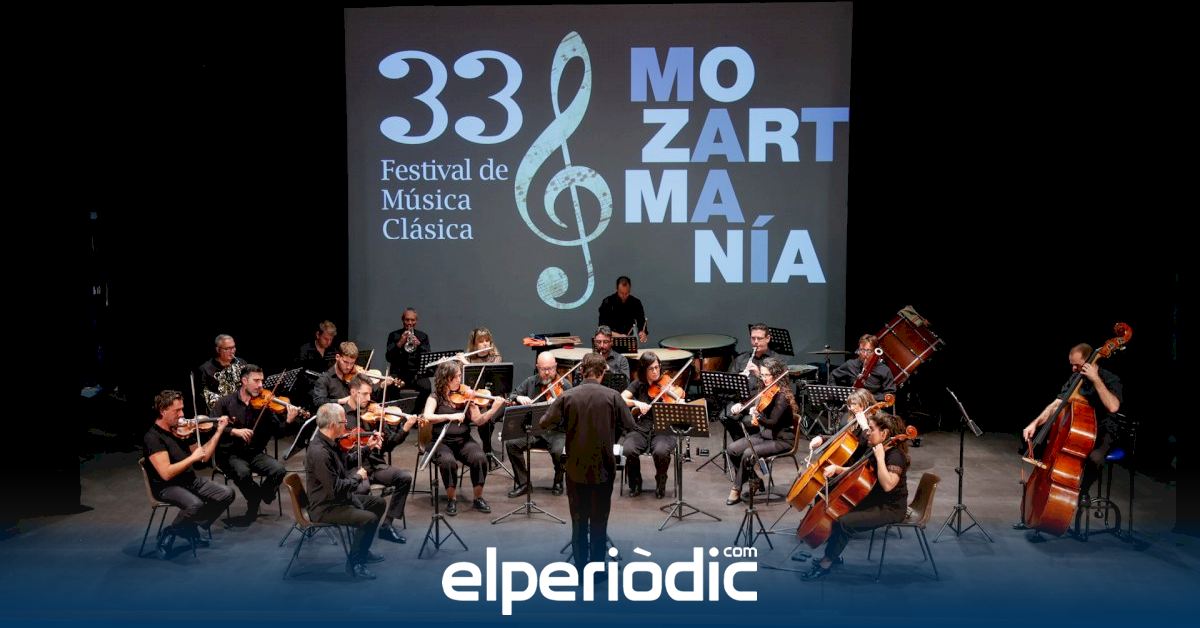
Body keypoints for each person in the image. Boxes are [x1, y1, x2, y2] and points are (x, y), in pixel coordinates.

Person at [540, 353, 638, 569]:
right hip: (603, 469)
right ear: (603, 373)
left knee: (578, 521)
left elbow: (544, 422)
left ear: (581, 372)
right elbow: (630, 426)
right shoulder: (613, 397)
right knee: (599, 522)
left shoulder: (567, 396)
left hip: (575, 469)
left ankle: (580, 568)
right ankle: (597, 569)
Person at [803, 412, 910, 580]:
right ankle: (833, 556)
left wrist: (880, 458)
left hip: (890, 508)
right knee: (838, 513)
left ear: (884, 434)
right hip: (875, 499)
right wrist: (837, 469)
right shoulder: (877, 448)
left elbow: (888, 485)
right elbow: (860, 470)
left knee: (845, 522)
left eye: (871, 429)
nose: (867, 432)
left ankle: (826, 562)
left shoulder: (895, 456)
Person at [1021, 342, 1123, 502]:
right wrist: (1035, 423)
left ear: (1090, 362)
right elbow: (1056, 404)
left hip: (1103, 432)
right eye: (1072, 365)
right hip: (1077, 432)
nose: (1073, 369)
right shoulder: (1076, 378)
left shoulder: (1110, 379)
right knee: (1045, 445)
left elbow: (1113, 406)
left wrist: (1095, 379)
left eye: (1077, 365)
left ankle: (1081, 493)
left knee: (1095, 458)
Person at [142, 390, 234, 557]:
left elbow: (203, 457)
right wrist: (192, 458)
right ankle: (170, 532)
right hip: (166, 486)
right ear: (163, 411)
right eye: (177, 411)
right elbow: (166, 474)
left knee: (226, 494)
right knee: (195, 505)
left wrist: (219, 431)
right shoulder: (153, 438)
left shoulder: (182, 430)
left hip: (189, 480)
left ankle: (186, 526)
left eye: (182, 409)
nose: (182, 414)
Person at [305, 403, 387, 579]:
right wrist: (357, 478)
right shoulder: (320, 452)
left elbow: (347, 462)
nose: (347, 425)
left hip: (337, 500)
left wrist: (368, 448)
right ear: (333, 425)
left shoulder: (331, 442)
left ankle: (362, 550)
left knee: (378, 503)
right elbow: (335, 489)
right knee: (369, 519)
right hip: (325, 507)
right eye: (343, 422)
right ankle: (354, 564)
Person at [211, 364, 300, 523]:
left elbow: (278, 432)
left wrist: (288, 421)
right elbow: (211, 426)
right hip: (230, 454)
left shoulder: (264, 405)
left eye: (262, 381)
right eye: (256, 380)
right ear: (244, 381)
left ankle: (263, 495)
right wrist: (233, 431)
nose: (260, 385)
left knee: (279, 470)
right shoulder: (225, 402)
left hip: (254, 453)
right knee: (243, 472)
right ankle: (254, 501)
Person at [340, 375, 417, 544]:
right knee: (362, 488)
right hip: (354, 467)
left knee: (404, 478)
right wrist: (364, 446)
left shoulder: (373, 413)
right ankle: (362, 529)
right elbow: (342, 451)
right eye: (365, 394)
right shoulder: (342, 416)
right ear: (353, 392)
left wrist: (405, 428)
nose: (369, 398)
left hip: (374, 465)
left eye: (370, 394)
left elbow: (388, 445)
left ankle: (386, 526)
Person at [422, 361, 504, 515]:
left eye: (460, 376)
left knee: (480, 458)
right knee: (448, 462)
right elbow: (427, 416)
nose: (460, 380)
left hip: (463, 441)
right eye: (456, 377)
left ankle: (478, 498)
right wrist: (450, 416)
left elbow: (479, 421)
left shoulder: (466, 395)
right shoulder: (435, 397)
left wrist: (493, 410)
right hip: (441, 441)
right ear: (446, 378)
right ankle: (451, 499)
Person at [725, 358, 797, 505]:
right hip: (766, 435)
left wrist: (758, 416)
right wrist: (740, 406)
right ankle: (755, 480)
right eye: (762, 375)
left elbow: (772, 422)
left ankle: (736, 488)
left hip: (782, 439)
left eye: (767, 375)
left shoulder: (782, 396)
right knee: (732, 449)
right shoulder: (766, 390)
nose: (764, 378)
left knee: (748, 453)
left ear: (776, 375)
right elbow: (754, 402)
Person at [505, 352, 572, 497]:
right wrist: (518, 397)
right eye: (543, 369)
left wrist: (560, 406)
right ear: (537, 367)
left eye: (550, 369)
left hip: (556, 431)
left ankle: (558, 481)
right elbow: (511, 396)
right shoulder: (530, 382)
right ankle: (524, 483)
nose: (547, 373)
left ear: (556, 367)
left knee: (559, 452)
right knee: (511, 444)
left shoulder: (565, 385)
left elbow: (573, 412)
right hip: (534, 431)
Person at [620, 352, 678, 498]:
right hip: (640, 428)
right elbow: (621, 399)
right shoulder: (637, 384)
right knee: (628, 449)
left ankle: (661, 479)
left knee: (661, 451)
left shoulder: (666, 383)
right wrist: (636, 402)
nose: (655, 371)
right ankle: (635, 481)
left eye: (657, 367)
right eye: (651, 368)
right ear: (643, 370)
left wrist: (676, 398)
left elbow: (678, 400)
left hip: (663, 428)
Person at [720, 323, 779, 438]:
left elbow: (780, 387)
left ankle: (752, 444)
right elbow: (728, 386)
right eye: (753, 338)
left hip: (762, 403)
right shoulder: (741, 359)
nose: (755, 342)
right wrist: (738, 380)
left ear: (768, 338)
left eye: (759, 338)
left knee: (748, 421)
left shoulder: (775, 360)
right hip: (741, 400)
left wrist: (759, 374)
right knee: (725, 415)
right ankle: (741, 445)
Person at [458, 327, 505, 468]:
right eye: (481, 341)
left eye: (487, 340)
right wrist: (459, 364)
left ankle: (486, 450)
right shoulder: (467, 358)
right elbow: (461, 384)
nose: (485, 344)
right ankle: (486, 450)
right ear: (474, 344)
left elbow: (484, 376)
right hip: (475, 401)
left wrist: (466, 364)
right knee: (483, 419)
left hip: (495, 400)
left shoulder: (496, 358)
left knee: (486, 419)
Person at [313, 341, 398, 407]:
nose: (349, 367)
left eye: (352, 363)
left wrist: (382, 386)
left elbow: (370, 399)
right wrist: (341, 401)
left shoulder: (356, 376)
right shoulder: (325, 379)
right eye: (345, 362)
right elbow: (318, 402)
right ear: (337, 357)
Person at [386, 307, 431, 407]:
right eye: (407, 320)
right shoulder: (393, 335)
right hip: (398, 373)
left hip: (417, 374)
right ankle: (396, 413)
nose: (410, 323)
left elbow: (428, 356)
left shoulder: (423, 336)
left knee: (427, 388)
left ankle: (416, 412)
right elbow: (388, 357)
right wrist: (400, 342)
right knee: (390, 388)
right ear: (403, 320)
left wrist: (419, 345)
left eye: (412, 320)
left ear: (416, 321)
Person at [831, 334, 897, 401]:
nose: (865, 354)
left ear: (875, 351)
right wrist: (836, 394)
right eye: (862, 350)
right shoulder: (851, 364)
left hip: (872, 405)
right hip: (852, 404)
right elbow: (833, 376)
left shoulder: (884, 370)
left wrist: (870, 397)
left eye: (869, 351)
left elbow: (890, 394)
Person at [198, 334, 246, 412]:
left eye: (233, 347)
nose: (232, 351)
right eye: (227, 349)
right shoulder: (205, 369)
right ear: (218, 350)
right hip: (219, 412)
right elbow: (204, 396)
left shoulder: (241, 363)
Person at [296, 321, 338, 409]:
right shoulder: (305, 350)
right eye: (326, 339)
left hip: (328, 388)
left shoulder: (333, 351)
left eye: (331, 339)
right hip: (310, 390)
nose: (328, 342)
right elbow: (300, 376)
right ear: (318, 335)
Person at [597, 276, 648, 344]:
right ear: (617, 289)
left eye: (627, 293)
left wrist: (642, 332)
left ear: (630, 289)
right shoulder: (607, 302)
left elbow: (641, 321)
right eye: (621, 293)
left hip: (627, 340)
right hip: (609, 341)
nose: (624, 296)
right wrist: (618, 336)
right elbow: (602, 327)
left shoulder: (635, 302)